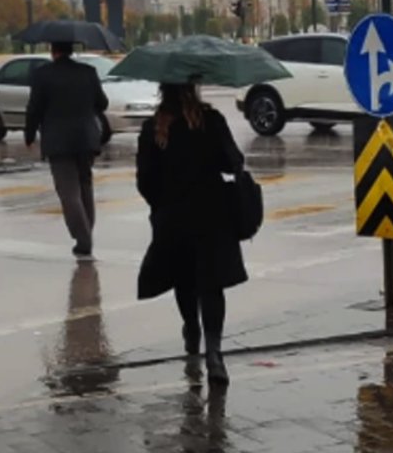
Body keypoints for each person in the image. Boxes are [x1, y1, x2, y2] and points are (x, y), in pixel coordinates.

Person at [135, 82, 246, 385]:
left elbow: (144, 180)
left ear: (162, 91)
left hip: (172, 219)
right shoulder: (211, 121)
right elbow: (234, 161)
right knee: (211, 284)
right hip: (211, 216)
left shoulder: (153, 128)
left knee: (183, 280)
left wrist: (160, 204)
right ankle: (214, 351)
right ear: (194, 88)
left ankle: (191, 328)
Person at [25, 42, 109, 257]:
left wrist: (29, 134)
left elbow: (34, 108)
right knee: (85, 186)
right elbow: (102, 102)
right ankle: (86, 233)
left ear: (53, 51)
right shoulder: (88, 72)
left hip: (58, 141)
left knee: (68, 191)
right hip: (86, 138)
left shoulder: (42, 75)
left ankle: (83, 240)